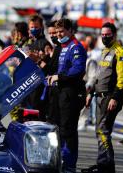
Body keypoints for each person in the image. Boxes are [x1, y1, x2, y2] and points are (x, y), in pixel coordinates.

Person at [83, 22, 123, 173]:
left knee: (103, 131)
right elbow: (98, 76)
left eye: (107, 35)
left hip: (110, 97)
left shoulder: (120, 52)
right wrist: (91, 93)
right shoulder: (105, 51)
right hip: (99, 96)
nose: (104, 37)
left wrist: (115, 97)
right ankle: (104, 164)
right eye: (102, 35)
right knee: (100, 131)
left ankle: (106, 166)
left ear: (114, 35)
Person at [47, 18, 87, 173]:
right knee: (57, 128)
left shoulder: (76, 47)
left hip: (71, 93)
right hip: (60, 93)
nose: (58, 34)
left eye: (62, 31)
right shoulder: (63, 46)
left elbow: (78, 70)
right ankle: (60, 161)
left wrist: (59, 77)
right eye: (57, 32)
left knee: (67, 131)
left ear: (70, 30)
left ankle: (69, 165)